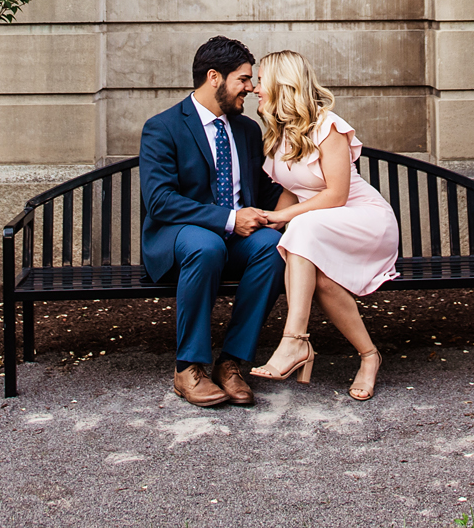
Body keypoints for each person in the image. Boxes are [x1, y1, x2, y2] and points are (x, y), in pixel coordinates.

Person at [138, 35, 284, 408]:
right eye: (244, 79)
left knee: (271, 247)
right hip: (180, 238)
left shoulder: (247, 130)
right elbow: (160, 201)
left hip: (233, 241)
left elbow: (267, 194)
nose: (251, 89)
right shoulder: (163, 127)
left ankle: (232, 362)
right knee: (206, 245)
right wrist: (230, 219)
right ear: (214, 77)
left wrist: (320, 197)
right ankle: (188, 368)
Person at [248, 50, 400, 401]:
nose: (256, 88)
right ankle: (369, 356)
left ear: (281, 85)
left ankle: (294, 342)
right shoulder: (279, 135)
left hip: (365, 220)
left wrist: (282, 219)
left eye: (261, 81)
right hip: (321, 225)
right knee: (320, 280)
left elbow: (336, 195)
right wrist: (267, 225)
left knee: (301, 228)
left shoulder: (327, 126)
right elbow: (292, 191)